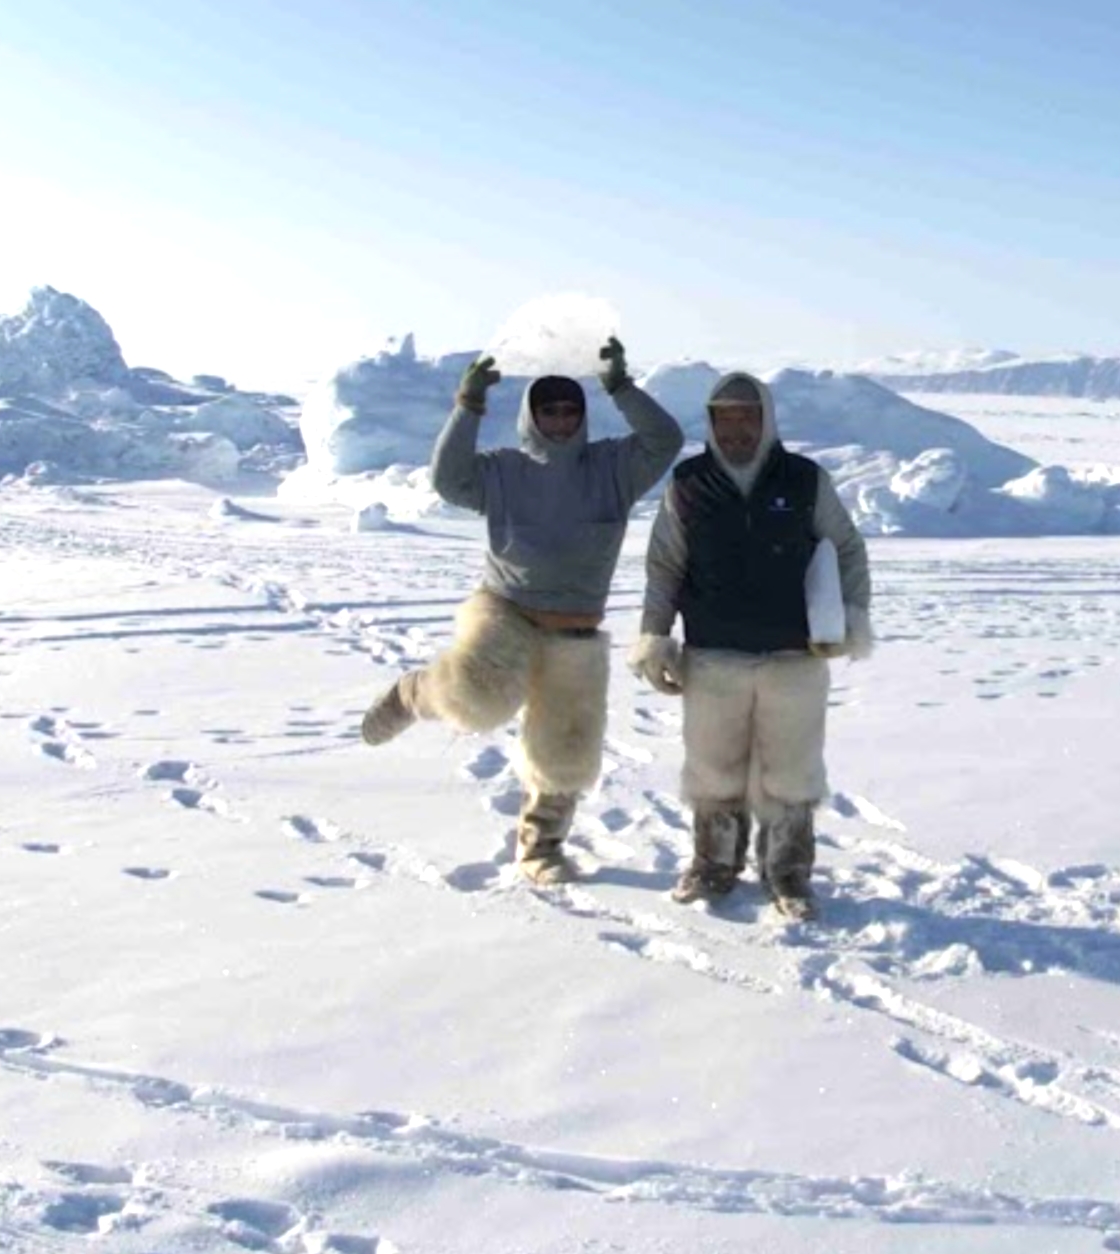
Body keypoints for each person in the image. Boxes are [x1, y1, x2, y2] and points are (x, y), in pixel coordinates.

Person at [358, 336, 680, 885]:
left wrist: (620, 386)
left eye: (570, 409)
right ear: (532, 416)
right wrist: (468, 405)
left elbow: (665, 439)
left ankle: (540, 850)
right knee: (473, 700)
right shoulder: (504, 470)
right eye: (548, 410)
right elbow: (449, 480)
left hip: (576, 627)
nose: (561, 419)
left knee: (565, 751)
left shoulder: (614, 467)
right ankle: (414, 693)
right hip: (507, 610)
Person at [631, 370, 873, 921]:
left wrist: (849, 617)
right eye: (725, 418)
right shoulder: (687, 482)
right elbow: (664, 567)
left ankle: (788, 873)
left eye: (747, 416)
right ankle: (713, 865)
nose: (736, 429)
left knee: (792, 772)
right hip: (712, 655)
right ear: (711, 423)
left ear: (767, 420)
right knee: (713, 770)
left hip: (795, 657)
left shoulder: (804, 479)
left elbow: (846, 548)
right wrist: (655, 636)